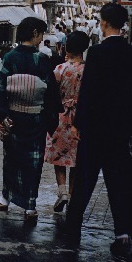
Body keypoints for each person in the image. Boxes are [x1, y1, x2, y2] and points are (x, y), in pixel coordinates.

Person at [65, 3, 132, 256]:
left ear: (104, 23)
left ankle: (72, 232)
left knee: (84, 182)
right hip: (120, 129)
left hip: (94, 128)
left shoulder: (97, 53)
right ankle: (123, 233)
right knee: (120, 181)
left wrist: (78, 124)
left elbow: (87, 91)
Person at [0, 17, 63, 221]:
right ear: (34, 34)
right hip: (36, 119)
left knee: (11, 159)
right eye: (40, 33)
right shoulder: (42, 60)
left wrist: (2, 115)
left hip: (12, 118)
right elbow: (50, 94)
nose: (41, 38)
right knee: (33, 162)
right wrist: (50, 120)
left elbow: (0, 88)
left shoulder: (9, 58)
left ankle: (5, 198)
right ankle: (30, 206)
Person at [44, 31, 90, 212]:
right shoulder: (89, 71)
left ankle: (62, 192)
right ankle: (72, 196)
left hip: (61, 116)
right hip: (81, 118)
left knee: (60, 157)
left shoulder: (60, 69)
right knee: (76, 160)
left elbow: (50, 94)